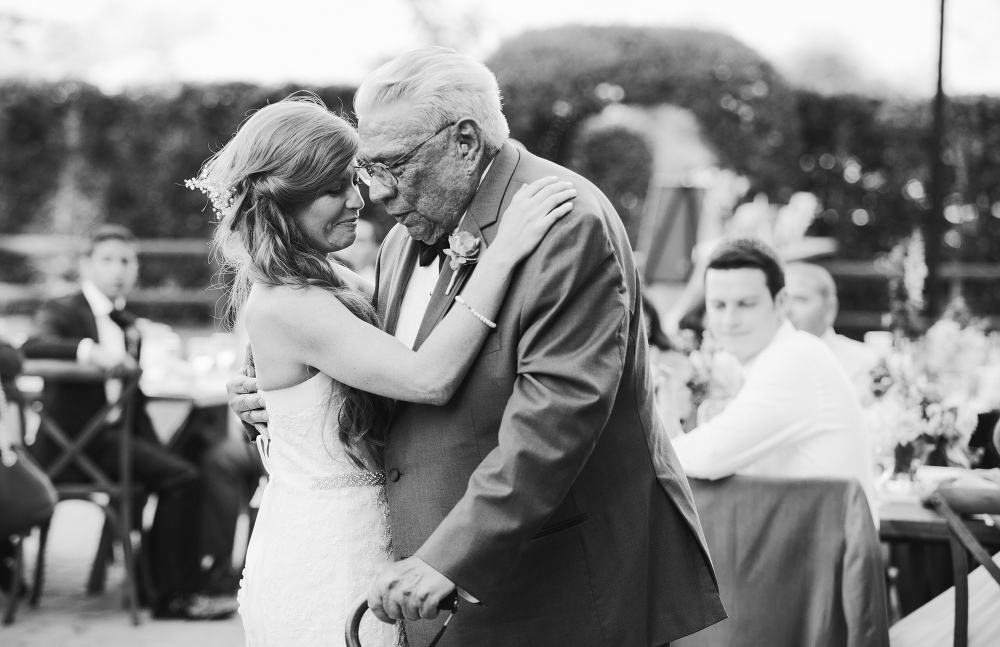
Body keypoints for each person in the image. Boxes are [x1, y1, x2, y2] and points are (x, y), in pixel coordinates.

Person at [229, 48, 725, 647]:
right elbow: (377, 376)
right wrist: (285, 400)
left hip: (547, 582)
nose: (377, 195)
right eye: (367, 171)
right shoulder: (403, 241)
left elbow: (557, 419)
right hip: (406, 582)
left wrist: (449, 557)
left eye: (393, 167)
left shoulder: (561, 222)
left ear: (464, 141)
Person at [196, 94, 577, 646]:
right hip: (328, 550)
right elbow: (427, 377)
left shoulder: (331, 280)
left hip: (365, 534)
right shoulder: (287, 302)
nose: (360, 198)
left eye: (354, 179)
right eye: (333, 190)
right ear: (281, 202)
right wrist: (499, 257)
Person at [21, 225, 235, 620]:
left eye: (126, 260)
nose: (118, 269)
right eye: (107, 260)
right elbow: (31, 347)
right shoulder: (64, 311)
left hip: (114, 440)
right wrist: (91, 352)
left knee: (194, 451)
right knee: (182, 477)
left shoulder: (128, 324)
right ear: (86, 266)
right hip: (74, 449)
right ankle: (172, 595)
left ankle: (164, 577)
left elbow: (131, 401)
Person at [671, 239, 876, 514]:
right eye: (718, 305)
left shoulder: (794, 359)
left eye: (746, 304)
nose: (730, 320)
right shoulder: (779, 356)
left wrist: (663, 421)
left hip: (827, 550)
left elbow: (708, 455)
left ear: (781, 303)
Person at [784, 262, 879, 403]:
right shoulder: (754, 359)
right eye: (782, 300)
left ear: (829, 308)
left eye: (800, 300)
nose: (787, 310)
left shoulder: (861, 362)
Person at [332, 217, 378, 283]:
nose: (351, 246)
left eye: (360, 241)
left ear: (373, 247)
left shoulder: (380, 287)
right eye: (346, 238)